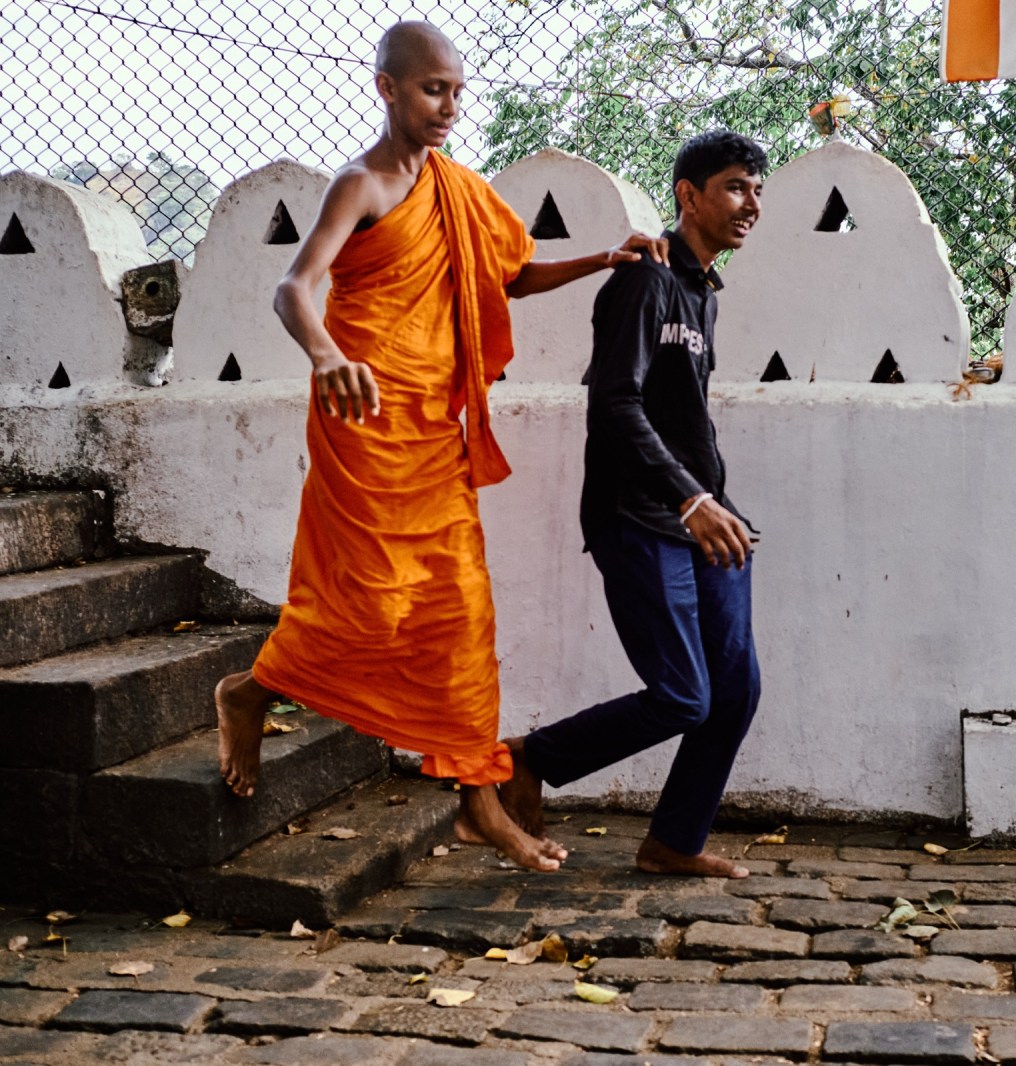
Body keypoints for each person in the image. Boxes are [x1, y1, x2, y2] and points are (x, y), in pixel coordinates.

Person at [214, 20, 668, 872]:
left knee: (461, 610)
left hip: (434, 432)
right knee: (366, 604)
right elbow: (295, 287)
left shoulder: (460, 190)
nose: (448, 107)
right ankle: (247, 692)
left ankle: (477, 801)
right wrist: (329, 355)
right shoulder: (363, 185)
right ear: (387, 88)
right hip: (362, 423)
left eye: (458, 92)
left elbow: (510, 274)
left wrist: (608, 256)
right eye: (433, 90)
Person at [497, 131, 768, 879]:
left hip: (705, 515)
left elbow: (684, 413)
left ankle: (673, 842)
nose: (751, 204)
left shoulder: (702, 292)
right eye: (737, 187)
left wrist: (716, 502)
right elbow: (614, 403)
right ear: (689, 194)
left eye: (757, 191)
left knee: (735, 690)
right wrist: (689, 501)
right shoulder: (643, 280)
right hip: (639, 516)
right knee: (684, 695)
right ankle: (530, 758)